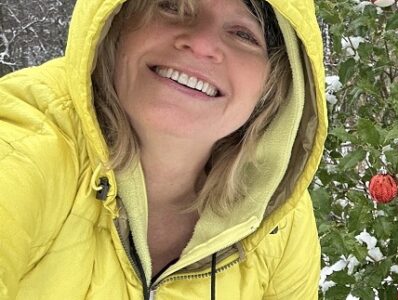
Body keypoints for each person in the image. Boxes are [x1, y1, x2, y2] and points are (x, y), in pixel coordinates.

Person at [0, 0, 327, 298]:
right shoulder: (25, 140)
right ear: (116, 23)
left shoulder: (274, 222)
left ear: (274, 83)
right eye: (173, 6)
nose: (201, 44)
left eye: (243, 34)